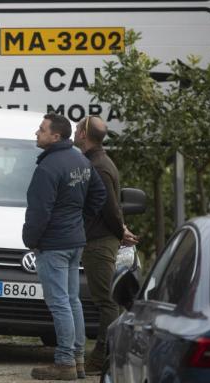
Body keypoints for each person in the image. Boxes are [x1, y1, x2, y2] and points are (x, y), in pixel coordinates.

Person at [23, 113, 107, 381]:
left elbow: (40, 211)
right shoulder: (81, 161)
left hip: (54, 244)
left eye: (42, 129)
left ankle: (64, 362)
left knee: (59, 303)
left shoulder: (48, 168)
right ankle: (78, 360)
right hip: (74, 241)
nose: (37, 132)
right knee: (72, 301)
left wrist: (31, 240)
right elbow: (99, 194)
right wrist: (79, 221)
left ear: (55, 136)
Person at [74, 116, 138, 376]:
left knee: (107, 301)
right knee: (105, 300)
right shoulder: (97, 161)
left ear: (84, 134)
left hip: (100, 242)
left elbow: (110, 207)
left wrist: (120, 230)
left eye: (78, 129)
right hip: (102, 238)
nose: (75, 133)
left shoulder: (98, 166)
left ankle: (103, 356)